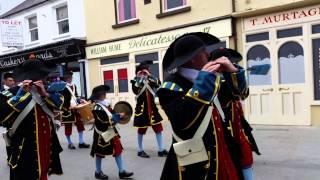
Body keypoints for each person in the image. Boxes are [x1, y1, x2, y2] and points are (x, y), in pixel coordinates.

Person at [157, 32, 248, 180]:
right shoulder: (170, 87)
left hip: (223, 151)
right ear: (192, 58)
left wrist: (234, 72)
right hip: (196, 162)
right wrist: (203, 82)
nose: (208, 53)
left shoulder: (212, 78)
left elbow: (240, 95)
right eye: (203, 51)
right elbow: (182, 122)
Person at [0, 59, 64, 180]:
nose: (44, 78)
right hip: (25, 147)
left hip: (46, 143)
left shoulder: (46, 91)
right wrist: (21, 94)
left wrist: (45, 94)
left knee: (43, 172)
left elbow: (60, 106)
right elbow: (3, 117)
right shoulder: (11, 93)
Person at [210, 47, 261, 180]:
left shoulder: (231, 75)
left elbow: (243, 94)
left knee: (245, 156)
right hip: (222, 126)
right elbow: (230, 94)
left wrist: (233, 71)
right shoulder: (211, 78)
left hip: (237, 124)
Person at [90, 85, 134, 180]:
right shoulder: (97, 108)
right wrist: (118, 117)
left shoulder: (106, 104)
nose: (105, 95)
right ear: (98, 96)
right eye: (103, 93)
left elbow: (112, 114)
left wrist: (119, 115)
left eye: (105, 93)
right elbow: (103, 121)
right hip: (101, 134)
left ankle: (121, 171)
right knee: (99, 153)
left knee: (118, 150)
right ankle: (98, 172)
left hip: (111, 132)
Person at [131, 61, 168, 158]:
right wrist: (138, 77)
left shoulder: (150, 79)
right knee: (141, 130)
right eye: (144, 71)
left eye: (147, 71)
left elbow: (158, 84)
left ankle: (161, 149)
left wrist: (149, 75)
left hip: (152, 109)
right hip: (142, 110)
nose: (145, 72)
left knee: (158, 129)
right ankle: (140, 150)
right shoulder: (135, 81)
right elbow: (135, 90)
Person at [61, 71, 90, 149]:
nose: (70, 79)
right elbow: (61, 99)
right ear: (65, 78)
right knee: (68, 127)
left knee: (80, 125)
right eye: (69, 77)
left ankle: (81, 142)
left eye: (71, 77)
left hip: (75, 108)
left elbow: (75, 95)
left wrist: (79, 100)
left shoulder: (74, 86)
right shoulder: (62, 86)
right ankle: (70, 143)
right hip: (67, 109)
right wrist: (66, 107)